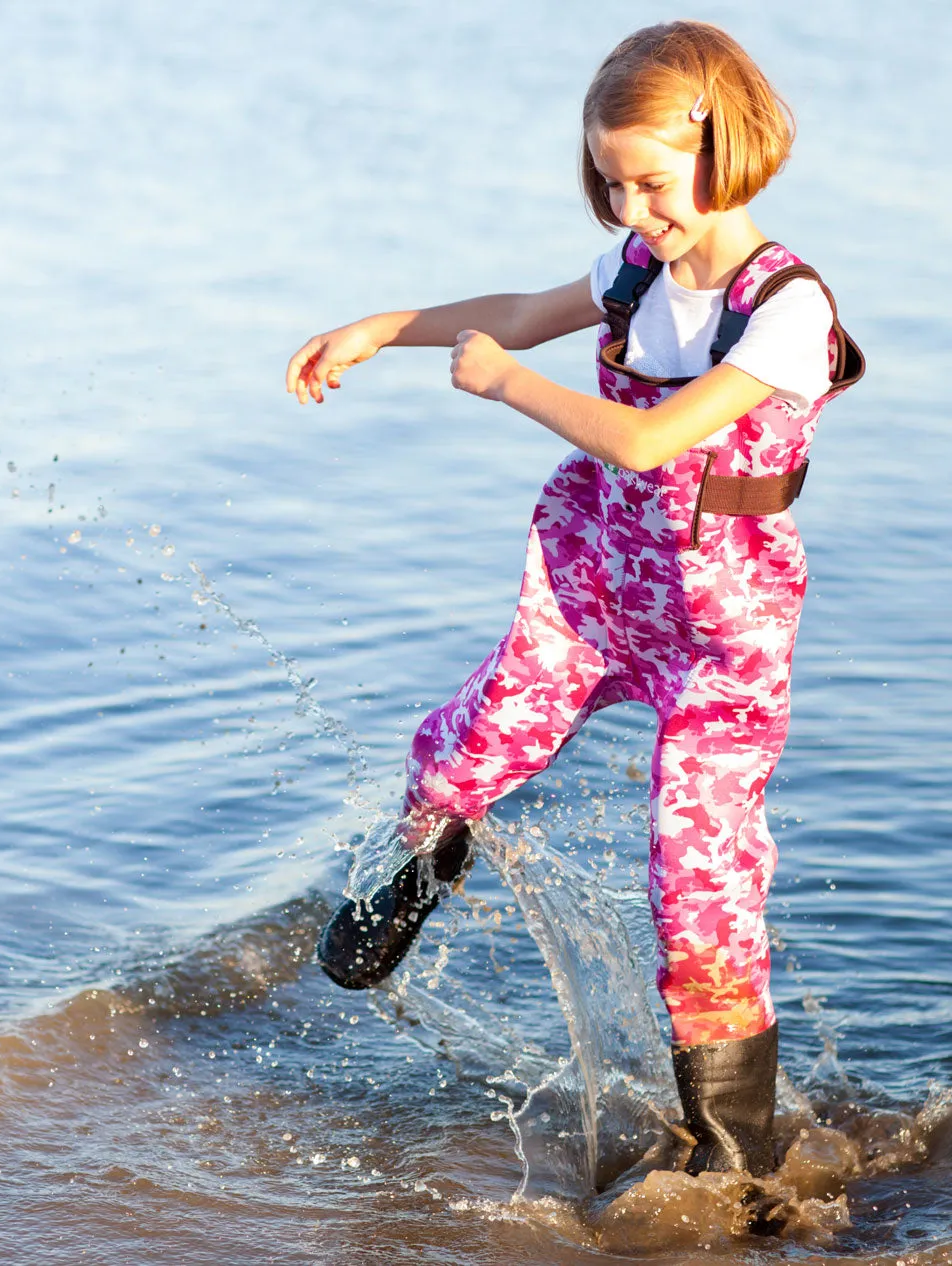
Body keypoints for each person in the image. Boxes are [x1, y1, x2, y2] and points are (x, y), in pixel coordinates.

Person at [285, 20, 863, 1178]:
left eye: (652, 182)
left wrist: (510, 388)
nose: (633, 208)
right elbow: (513, 309)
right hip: (598, 584)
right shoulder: (636, 271)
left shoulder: (787, 308)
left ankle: (736, 1155)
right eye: (611, 184)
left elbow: (655, 444)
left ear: (727, 147)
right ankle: (421, 862)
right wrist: (385, 329)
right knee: (463, 750)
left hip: (721, 629)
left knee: (697, 876)